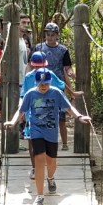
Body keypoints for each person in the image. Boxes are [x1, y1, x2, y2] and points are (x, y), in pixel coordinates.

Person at [4, 68, 91, 205]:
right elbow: (21, 111)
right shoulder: (30, 94)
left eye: (46, 84)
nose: (43, 87)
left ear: (50, 82)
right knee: (39, 161)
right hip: (36, 131)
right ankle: (39, 196)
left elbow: (69, 108)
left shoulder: (56, 93)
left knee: (51, 162)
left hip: (51, 133)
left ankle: (50, 178)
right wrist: (12, 122)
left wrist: (80, 117)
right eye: (41, 84)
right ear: (36, 83)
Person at [21, 51, 83, 179]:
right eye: (37, 66)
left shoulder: (51, 75)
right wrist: (20, 110)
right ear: (33, 66)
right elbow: (24, 95)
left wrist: (72, 93)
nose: (39, 68)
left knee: (50, 153)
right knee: (32, 141)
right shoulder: (28, 77)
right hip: (33, 114)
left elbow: (61, 85)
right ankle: (35, 168)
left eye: (41, 66)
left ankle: (50, 174)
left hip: (49, 114)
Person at [34, 22, 75, 150]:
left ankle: (64, 143)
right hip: (41, 84)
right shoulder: (38, 48)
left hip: (57, 85)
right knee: (43, 115)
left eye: (52, 35)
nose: (50, 37)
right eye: (48, 34)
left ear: (57, 35)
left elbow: (67, 67)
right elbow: (32, 64)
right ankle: (45, 143)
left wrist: (70, 73)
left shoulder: (63, 50)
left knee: (61, 117)